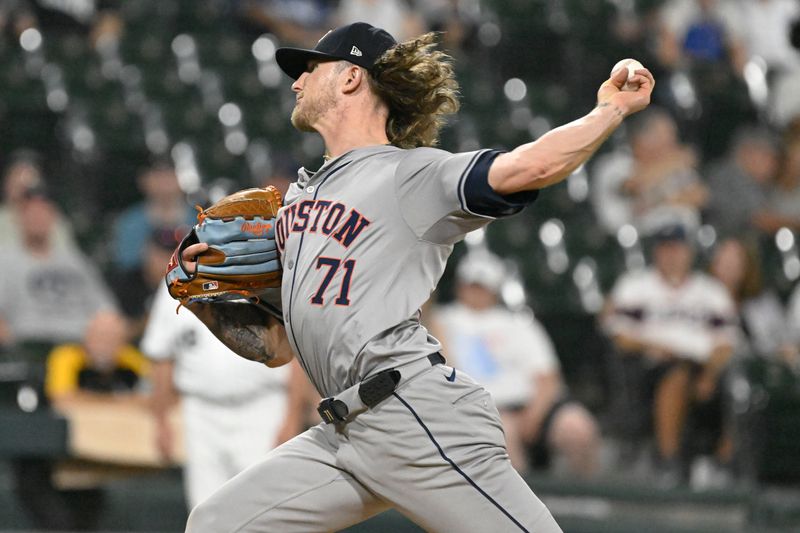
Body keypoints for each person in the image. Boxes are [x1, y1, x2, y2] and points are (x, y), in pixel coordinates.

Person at [177, 21, 654, 532]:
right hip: (342, 434)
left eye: (310, 69)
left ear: (350, 78)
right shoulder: (297, 201)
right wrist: (209, 304)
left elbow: (527, 168)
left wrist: (611, 109)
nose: (297, 82)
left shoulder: (410, 174)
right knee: (217, 524)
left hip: (412, 413)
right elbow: (277, 349)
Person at [140, 283, 308, 510]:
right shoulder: (179, 278)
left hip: (261, 408)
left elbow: (297, 352)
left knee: (264, 507)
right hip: (200, 410)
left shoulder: (264, 268)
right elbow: (161, 352)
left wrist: (292, 418)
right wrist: (161, 420)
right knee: (206, 508)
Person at [432, 251, 599, 477]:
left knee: (578, 427)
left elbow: (547, 377)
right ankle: (523, 510)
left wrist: (534, 415)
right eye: (471, 285)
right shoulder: (444, 320)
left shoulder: (518, 322)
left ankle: (586, 502)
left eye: (481, 286)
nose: (475, 292)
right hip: (482, 408)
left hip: (531, 403)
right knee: (503, 434)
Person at [602, 224, 738, 485]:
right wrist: (654, 347)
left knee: (739, 384)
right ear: (656, 252)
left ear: (689, 252)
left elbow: (727, 344)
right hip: (649, 365)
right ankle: (669, 460)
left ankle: (724, 462)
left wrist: (709, 374)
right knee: (676, 375)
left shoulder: (710, 291)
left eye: (677, 248)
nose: (671, 255)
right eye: (665, 248)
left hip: (704, 365)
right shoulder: (636, 286)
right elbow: (618, 336)